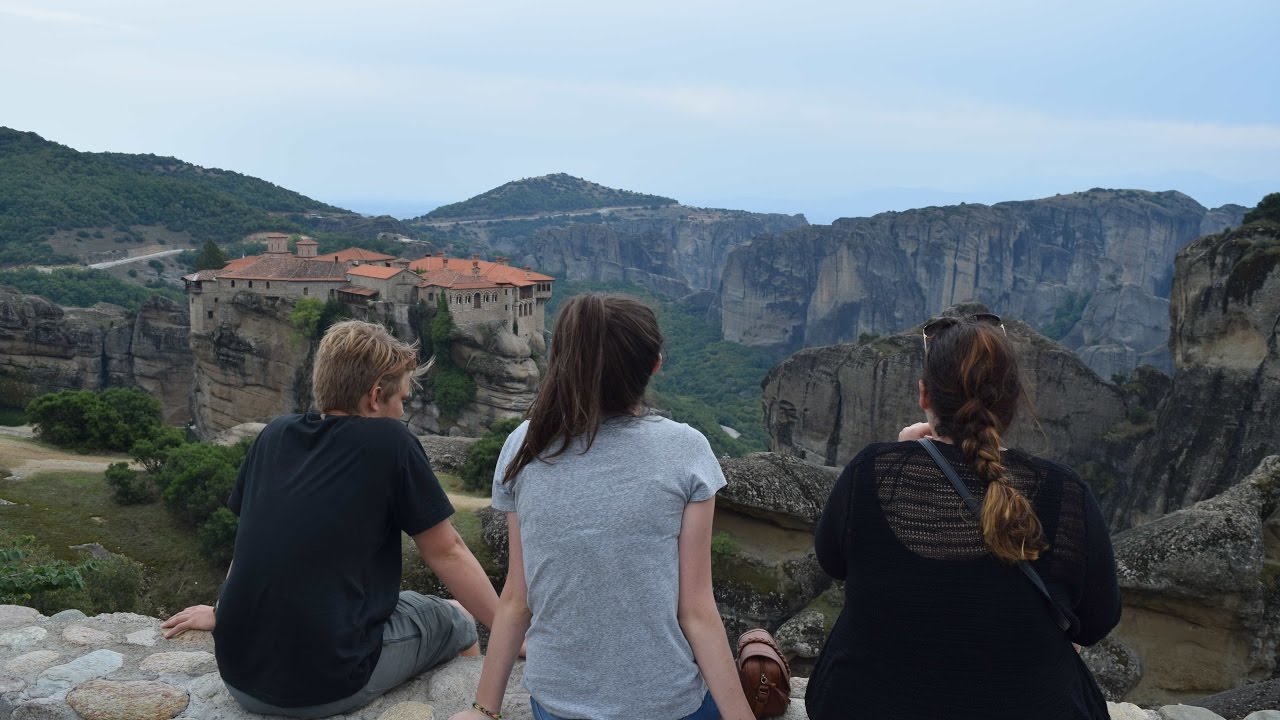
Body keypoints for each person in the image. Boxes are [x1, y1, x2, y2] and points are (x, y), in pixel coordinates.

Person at [161, 319, 500, 718]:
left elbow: (254, 545)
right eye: (403, 400)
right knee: (458, 616)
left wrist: (223, 611)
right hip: (328, 685)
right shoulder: (391, 442)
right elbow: (448, 551)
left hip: (238, 675)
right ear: (375, 396)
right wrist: (509, 631)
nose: (403, 411)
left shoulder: (274, 435)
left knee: (407, 604)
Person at [449, 294, 754, 720]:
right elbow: (697, 610)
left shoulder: (524, 445)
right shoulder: (687, 450)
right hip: (666, 706)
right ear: (654, 366)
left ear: (560, 361)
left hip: (557, 706)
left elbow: (517, 598)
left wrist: (484, 709)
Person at [805, 312, 1121, 720]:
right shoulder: (1067, 494)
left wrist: (903, 457)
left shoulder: (871, 472)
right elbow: (1097, 620)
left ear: (924, 396)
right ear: (1012, 403)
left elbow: (833, 559)